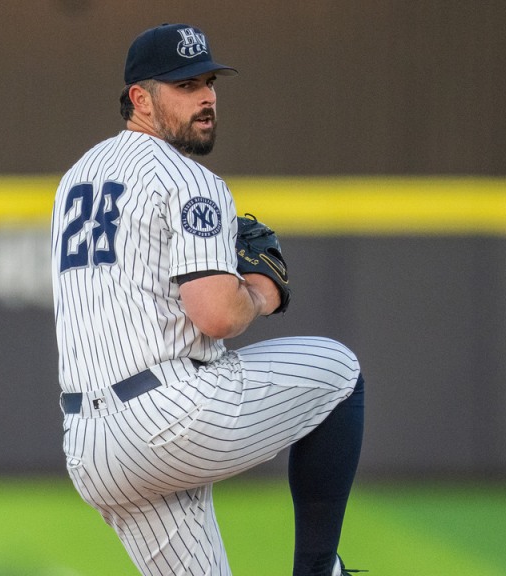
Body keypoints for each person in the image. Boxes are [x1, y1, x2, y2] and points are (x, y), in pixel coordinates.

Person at [51, 23, 366, 576]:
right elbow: (218, 314)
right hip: (171, 417)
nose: (206, 98)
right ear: (140, 98)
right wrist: (261, 293)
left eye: (209, 82)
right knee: (340, 372)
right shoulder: (190, 179)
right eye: (186, 85)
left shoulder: (78, 178)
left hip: (89, 447)